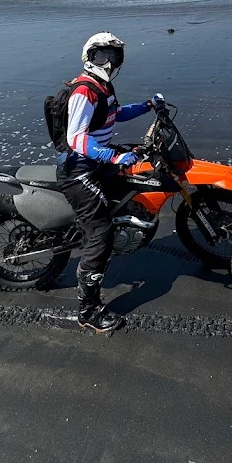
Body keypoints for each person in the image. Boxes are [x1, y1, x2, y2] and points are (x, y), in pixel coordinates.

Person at [56, 31, 158, 334]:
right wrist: (112, 156)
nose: (109, 62)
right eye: (103, 56)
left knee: (130, 186)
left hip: (95, 163)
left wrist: (148, 106)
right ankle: (88, 310)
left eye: (114, 56)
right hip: (80, 171)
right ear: (90, 57)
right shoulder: (84, 91)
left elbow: (115, 114)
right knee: (101, 234)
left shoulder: (103, 87)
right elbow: (76, 138)